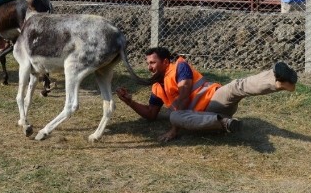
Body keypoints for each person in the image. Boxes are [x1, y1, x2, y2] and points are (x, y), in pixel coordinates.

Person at [114, 47, 298, 143]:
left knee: (235, 86)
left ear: (165, 61)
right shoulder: (157, 88)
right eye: (148, 63)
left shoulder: (179, 66)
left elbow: (184, 93)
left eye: (152, 63)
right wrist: (130, 102)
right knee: (176, 115)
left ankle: (278, 81)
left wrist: (174, 129)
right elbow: (151, 115)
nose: (149, 67)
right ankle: (225, 124)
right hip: (203, 118)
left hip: (214, 100)